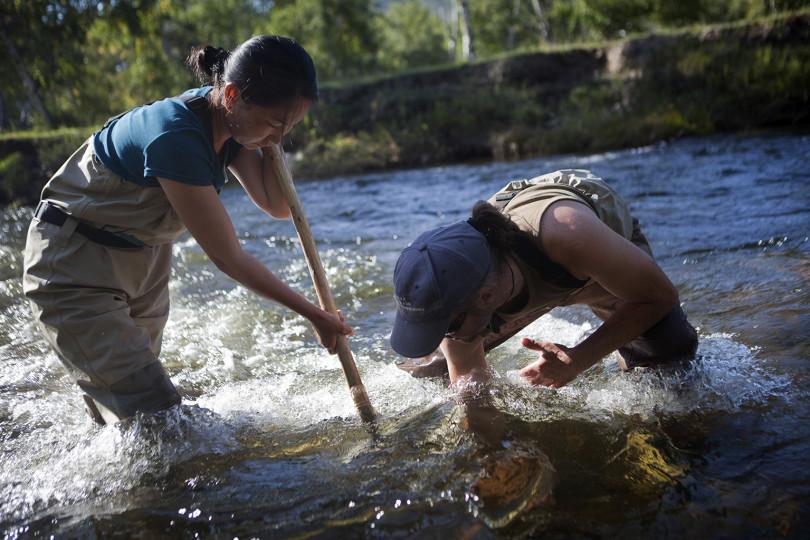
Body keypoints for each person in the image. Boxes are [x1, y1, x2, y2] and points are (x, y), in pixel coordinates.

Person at [22, 35, 352, 425]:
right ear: (230, 96)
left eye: (291, 126)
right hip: (74, 264)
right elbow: (230, 258)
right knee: (157, 418)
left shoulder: (235, 121)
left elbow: (278, 206)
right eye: (273, 124)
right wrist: (314, 315)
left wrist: (270, 137)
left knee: (127, 417)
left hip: (143, 258)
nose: (280, 137)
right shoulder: (175, 134)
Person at [390, 169, 697, 387]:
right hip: (512, 278)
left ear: (486, 298)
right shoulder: (454, 288)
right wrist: (492, 460)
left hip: (593, 262)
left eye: (448, 326)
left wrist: (578, 359)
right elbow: (472, 395)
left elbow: (659, 295)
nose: (448, 334)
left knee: (669, 363)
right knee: (438, 369)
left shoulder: (570, 236)